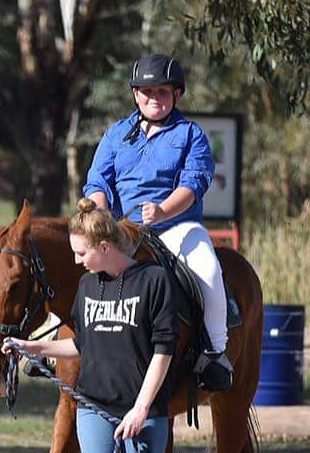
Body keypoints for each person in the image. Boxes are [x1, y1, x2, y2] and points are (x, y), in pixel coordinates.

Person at [3, 198, 176, 453]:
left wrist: (141, 408)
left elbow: (163, 351)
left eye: (81, 252)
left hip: (143, 412)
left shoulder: (154, 282)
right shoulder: (87, 287)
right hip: (95, 407)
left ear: (102, 245)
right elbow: (81, 343)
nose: (77, 261)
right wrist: (33, 346)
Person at [83, 52, 231, 391]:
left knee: (208, 270)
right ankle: (64, 343)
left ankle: (214, 352)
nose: (155, 99)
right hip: (123, 230)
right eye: (147, 92)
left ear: (176, 95)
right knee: (80, 264)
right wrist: (101, 213)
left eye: (163, 92)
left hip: (178, 226)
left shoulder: (191, 134)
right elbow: (97, 182)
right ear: (136, 95)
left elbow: (193, 184)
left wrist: (164, 210)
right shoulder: (116, 134)